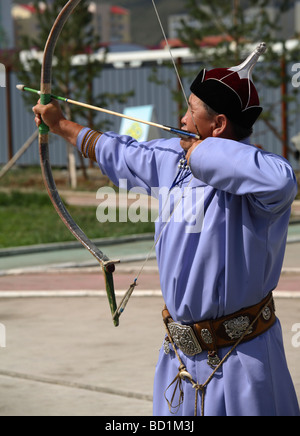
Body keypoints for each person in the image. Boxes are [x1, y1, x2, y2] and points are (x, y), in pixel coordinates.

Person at [33, 45, 300, 416]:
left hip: (243, 359)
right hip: (180, 359)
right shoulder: (173, 159)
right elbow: (119, 152)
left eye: (191, 111)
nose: (183, 119)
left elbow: (281, 181)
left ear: (218, 124)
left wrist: (201, 154)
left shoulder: (262, 179)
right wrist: (61, 124)